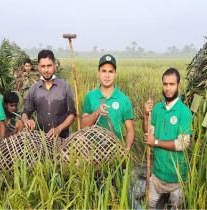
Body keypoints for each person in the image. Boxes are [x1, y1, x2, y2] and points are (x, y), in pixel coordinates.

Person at [143, 68, 192, 209]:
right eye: (165, 84)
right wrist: (145, 115)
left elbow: (182, 143)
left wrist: (156, 142)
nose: (168, 88)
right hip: (157, 176)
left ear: (179, 85)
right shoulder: (157, 109)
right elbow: (148, 134)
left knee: (176, 207)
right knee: (149, 205)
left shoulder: (184, 112)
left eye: (172, 84)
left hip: (177, 179)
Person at [81, 54, 135, 151]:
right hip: (93, 152)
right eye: (104, 71)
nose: (107, 75)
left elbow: (130, 130)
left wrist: (127, 149)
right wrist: (97, 112)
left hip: (116, 152)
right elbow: (83, 125)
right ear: (98, 73)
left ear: (115, 74)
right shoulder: (90, 96)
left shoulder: (124, 100)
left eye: (110, 71)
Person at [21, 50, 76, 139]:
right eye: (43, 66)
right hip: (41, 140)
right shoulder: (34, 89)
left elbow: (72, 114)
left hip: (62, 139)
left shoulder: (65, 87)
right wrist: (26, 121)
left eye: (49, 66)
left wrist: (58, 129)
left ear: (55, 66)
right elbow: (25, 112)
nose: (46, 70)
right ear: (38, 67)